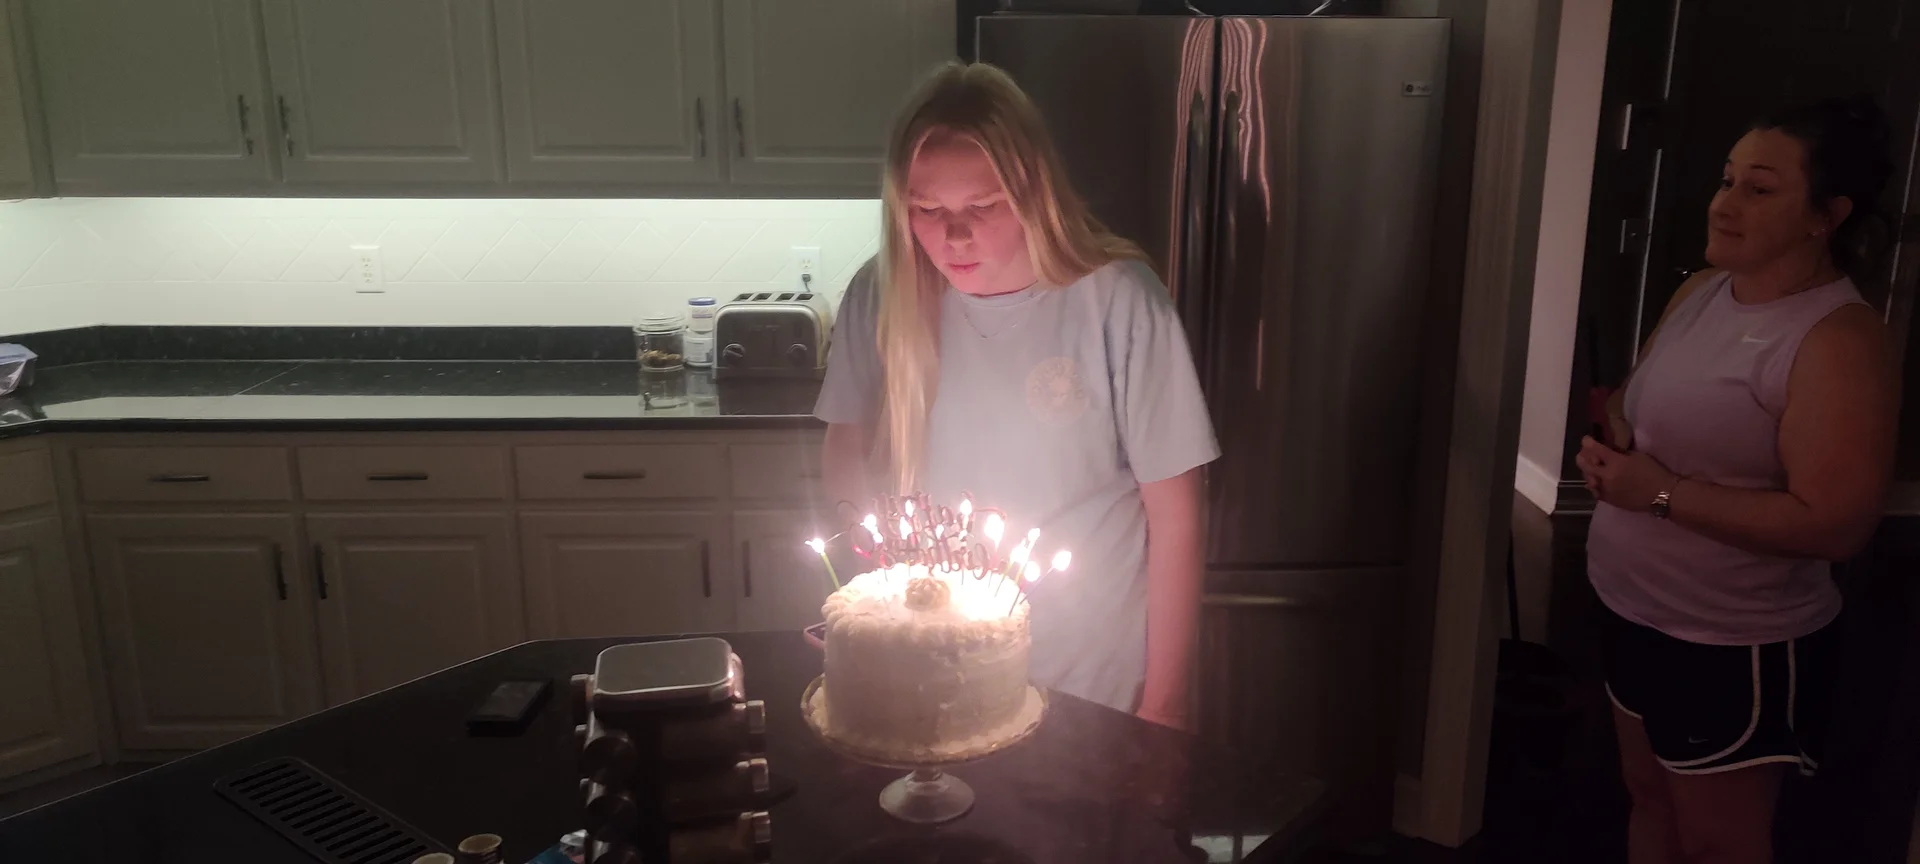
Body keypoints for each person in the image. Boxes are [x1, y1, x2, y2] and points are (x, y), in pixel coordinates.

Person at [814, 62, 1219, 729]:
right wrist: (868, 606)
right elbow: (845, 446)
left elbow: (1176, 513)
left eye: (982, 206)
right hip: (926, 673)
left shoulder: (1117, 300)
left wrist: (1166, 704)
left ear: (1033, 189)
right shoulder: (881, 295)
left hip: (1088, 681)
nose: (955, 236)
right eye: (927, 210)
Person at [1576, 97, 1899, 864]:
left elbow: (1835, 524)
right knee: (1648, 796)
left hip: (1728, 642)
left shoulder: (1838, 339)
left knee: (1720, 844)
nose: (1723, 204)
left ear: (1827, 215)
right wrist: (1615, 438)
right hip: (1632, 607)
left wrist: (1658, 494)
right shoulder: (1701, 290)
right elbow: (1637, 403)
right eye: (1727, 180)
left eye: (1758, 189)